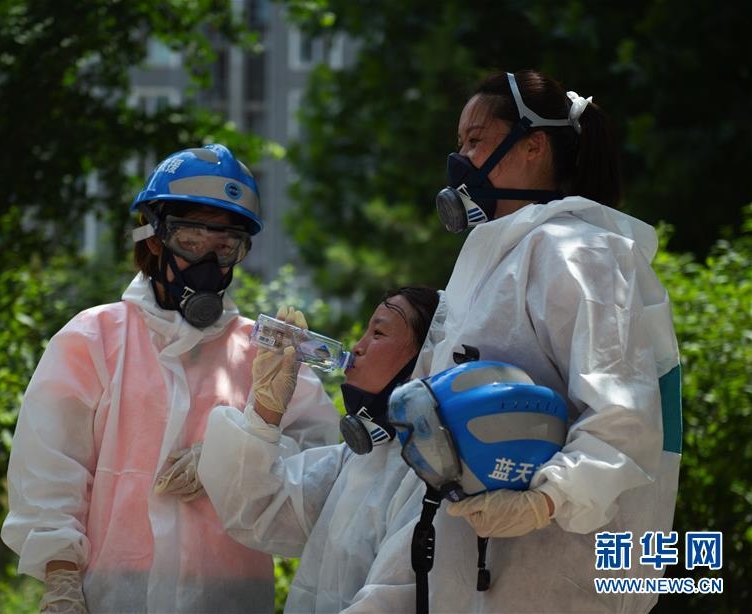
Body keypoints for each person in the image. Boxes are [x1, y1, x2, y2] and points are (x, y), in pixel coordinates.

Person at [0, 144, 339, 613]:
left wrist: (233, 459)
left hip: (231, 598)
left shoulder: (265, 355)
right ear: (154, 237)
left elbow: (320, 471)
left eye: (226, 245)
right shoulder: (94, 338)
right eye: (192, 239)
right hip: (112, 593)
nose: (209, 261)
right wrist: (61, 578)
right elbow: (49, 467)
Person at [410, 69, 682, 612]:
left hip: (562, 572)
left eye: (475, 141)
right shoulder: (505, 259)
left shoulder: (581, 252)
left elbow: (622, 413)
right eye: (459, 144)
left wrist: (549, 498)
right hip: (492, 574)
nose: (460, 160)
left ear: (533, 145)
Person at [198, 286, 441, 613]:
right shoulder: (356, 460)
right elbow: (259, 511)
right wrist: (267, 409)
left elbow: (392, 601)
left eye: (379, 333)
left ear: (426, 359)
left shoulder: (429, 477)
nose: (358, 347)